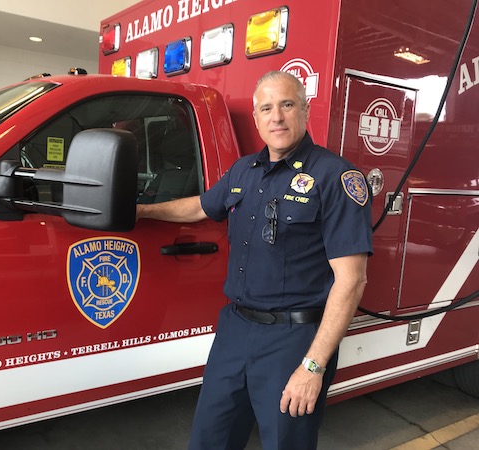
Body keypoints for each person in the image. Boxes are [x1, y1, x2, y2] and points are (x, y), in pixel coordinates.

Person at [136, 71, 373, 449]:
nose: (276, 116)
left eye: (286, 105)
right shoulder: (243, 171)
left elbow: (351, 280)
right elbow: (199, 207)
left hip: (293, 340)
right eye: (266, 108)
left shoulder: (335, 176)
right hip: (235, 329)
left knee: (284, 443)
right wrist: (141, 211)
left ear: (305, 110)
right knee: (210, 437)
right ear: (257, 116)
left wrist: (312, 367)